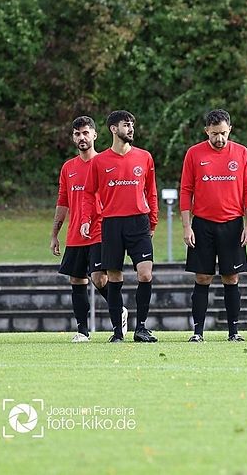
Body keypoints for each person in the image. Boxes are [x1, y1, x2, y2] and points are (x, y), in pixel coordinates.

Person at [80, 110, 159, 343]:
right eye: (126, 125)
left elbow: (151, 192)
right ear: (114, 129)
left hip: (139, 222)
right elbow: (87, 193)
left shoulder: (144, 157)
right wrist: (86, 219)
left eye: (132, 124)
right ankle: (117, 331)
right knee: (114, 277)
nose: (131, 128)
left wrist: (153, 220)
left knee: (145, 274)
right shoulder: (100, 161)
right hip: (112, 223)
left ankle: (141, 328)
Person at [179, 109, 247, 342]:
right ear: (206, 132)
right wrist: (186, 226)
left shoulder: (241, 153)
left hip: (232, 225)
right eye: (214, 134)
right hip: (202, 225)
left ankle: (234, 332)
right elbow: (186, 191)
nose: (219, 139)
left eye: (223, 133)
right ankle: (197, 332)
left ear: (230, 129)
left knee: (231, 278)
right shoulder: (194, 153)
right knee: (202, 278)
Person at [51, 116, 119, 342]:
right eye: (77, 134)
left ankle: (118, 311)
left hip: (100, 231)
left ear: (95, 135)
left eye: (86, 133)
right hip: (74, 234)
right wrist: (55, 234)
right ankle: (82, 331)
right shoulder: (68, 168)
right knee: (76, 280)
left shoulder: (105, 163)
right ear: (73, 137)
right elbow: (63, 201)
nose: (82, 137)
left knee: (99, 278)